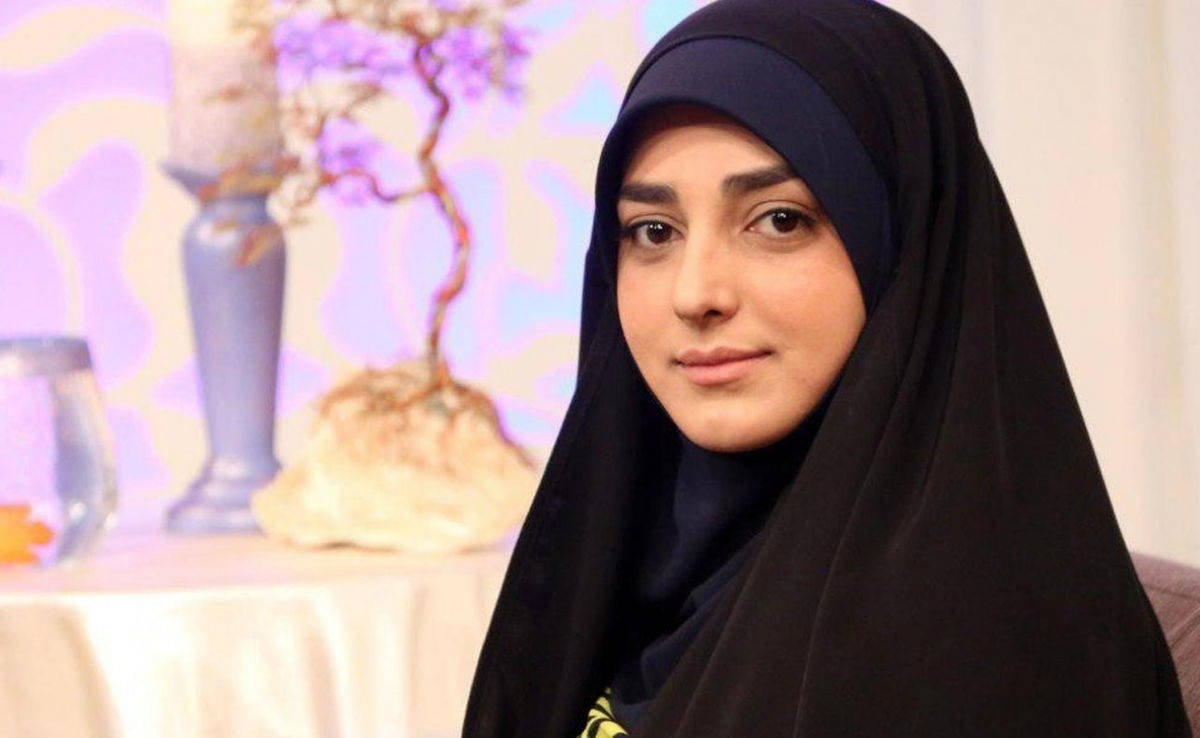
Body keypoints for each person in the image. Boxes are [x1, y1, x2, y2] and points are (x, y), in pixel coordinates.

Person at [461, 0, 1193, 735]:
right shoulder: (631, 569)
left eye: (779, 220)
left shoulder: (985, 652)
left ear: (901, 249)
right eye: (653, 231)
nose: (695, 293)